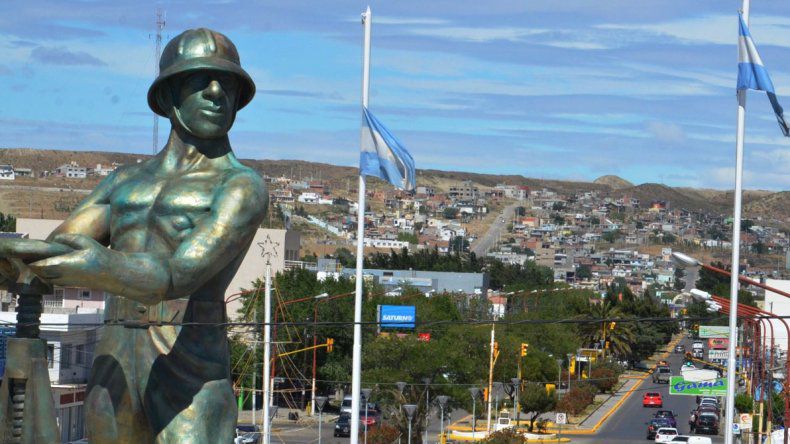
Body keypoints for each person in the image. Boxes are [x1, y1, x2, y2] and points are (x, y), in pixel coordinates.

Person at [1, 28, 265, 443]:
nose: (217, 92)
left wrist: (102, 267)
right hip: (115, 356)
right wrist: (13, 256)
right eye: (201, 81)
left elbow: (179, 274)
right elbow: (57, 248)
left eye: (227, 83)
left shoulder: (240, 186)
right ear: (168, 97)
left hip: (189, 362)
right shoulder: (125, 182)